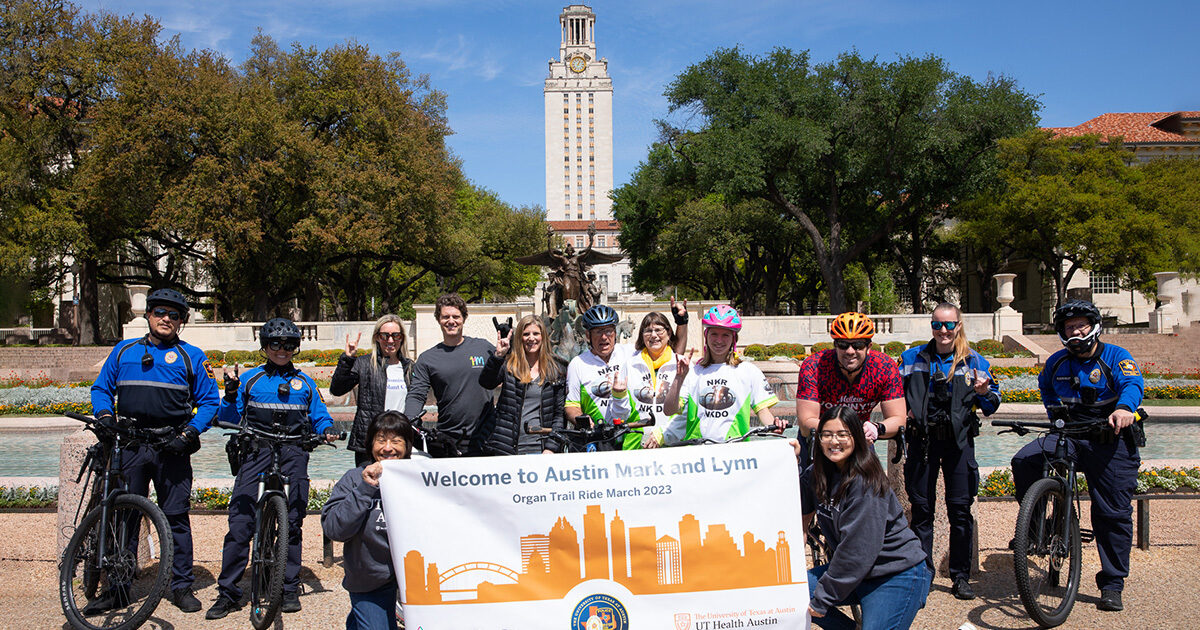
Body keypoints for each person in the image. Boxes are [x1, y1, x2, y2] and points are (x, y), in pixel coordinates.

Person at [88, 287, 219, 614]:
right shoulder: (123, 350)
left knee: (175, 518)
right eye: (160, 312)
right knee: (125, 518)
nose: (166, 319)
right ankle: (118, 588)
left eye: (174, 315)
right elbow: (101, 388)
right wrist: (104, 415)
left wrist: (190, 432)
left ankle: (180, 585)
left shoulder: (193, 357)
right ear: (148, 315)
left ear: (182, 321)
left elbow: (210, 402)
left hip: (172, 446)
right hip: (130, 443)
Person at [1010, 299, 1144, 613]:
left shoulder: (1115, 357)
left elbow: (1132, 384)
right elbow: (1046, 388)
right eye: (1069, 327)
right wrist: (1055, 412)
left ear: (1094, 326)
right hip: (1070, 435)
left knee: (1111, 514)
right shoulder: (1056, 362)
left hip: (1109, 439)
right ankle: (1034, 527)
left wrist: (1125, 409)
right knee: (1025, 460)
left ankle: (1112, 584)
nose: (1075, 331)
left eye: (1081, 325)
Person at [206, 318, 340, 619]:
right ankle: (228, 591)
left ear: (296, 348)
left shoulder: (304, 383)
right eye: (275, 344)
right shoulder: (251, 380)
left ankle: (289, 587)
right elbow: (227, 417)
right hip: (257, 450)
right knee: (240, 524)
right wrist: (229, 394)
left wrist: (327, 429)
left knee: (292, 522)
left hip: (293, 450)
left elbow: (320, 416)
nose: (282, 350)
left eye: (289, 344)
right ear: (265, 346)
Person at [899, 304, 1001, 600]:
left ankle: (960, 576)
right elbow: (892, 394)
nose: (943, 331)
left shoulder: (973, 360)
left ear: (959, 326)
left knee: (960, 511)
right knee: (922, 512)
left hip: (958, 443)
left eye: (949, 325)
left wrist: (983, 393)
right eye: (937, 325)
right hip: (923, 441)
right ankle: (923, 574)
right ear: (931, 326)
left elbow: (993, 404)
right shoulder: (911, 358)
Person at [803, 406, 929, 630]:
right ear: (819, 439)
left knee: (816, 600)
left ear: (857, 438)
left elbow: (857, 552)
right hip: (857, 572)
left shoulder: (865, 483)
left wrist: (822, 601)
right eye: (827, 434)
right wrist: (788, 457)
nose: (834, 441)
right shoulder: (815, 474)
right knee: (794, 594)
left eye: (843, 434)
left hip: (894, 573)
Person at [322, 411, 417, 630]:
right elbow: (335, 529)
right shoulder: (354, 479)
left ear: (408, 445)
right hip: (369, 579)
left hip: (412, 579)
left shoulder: (420, 478)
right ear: (370, 444)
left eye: (396, 441)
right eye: (381, 440)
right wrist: (365, 488)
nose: (387, 448)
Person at [565, 300, 688, 450]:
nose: (604, 337)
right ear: (587, 335)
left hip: (629, 435)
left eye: (608, 331)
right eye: (598, 331)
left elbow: (674, 353)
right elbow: (571, 405)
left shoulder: (630, 353)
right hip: (599, 438)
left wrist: (682, 322)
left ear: (615, 333)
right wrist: (584, 421)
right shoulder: (577, 364)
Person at [661, 305, 784, 442]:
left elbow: (762, 411)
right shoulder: (693, 371)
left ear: (734, 339)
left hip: (735, 452)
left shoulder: (749, 371)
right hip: (697, 453)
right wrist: (679, 378)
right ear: (706, 336)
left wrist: (775, 427)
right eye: (714, 334)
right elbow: (669, 410)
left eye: (725, 335)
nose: (719, 340)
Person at [796, 312, 906, 463]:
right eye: (843, 345)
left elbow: (899, 420)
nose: (850, 351)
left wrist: (876, 428)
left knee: (872, 484)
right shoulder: (814, 366)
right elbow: (806, 424)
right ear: (835, 345)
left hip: (861, 439)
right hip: (821, 440)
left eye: (858, 345)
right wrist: (847, 433)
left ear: (869, 347)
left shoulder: (884, 367)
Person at [403, 294, 496, 457]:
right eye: (445, 317)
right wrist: (408, 421)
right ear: (438, 320)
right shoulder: (427, 359)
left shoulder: (484, 348)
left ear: (464, 319)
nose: (451, 321)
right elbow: (417, 394)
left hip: (487, 437)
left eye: (456, 316)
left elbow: (509, 374)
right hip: (448, 441)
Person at [331, 314, 414, 466]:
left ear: (402, 338)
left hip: (400, 440)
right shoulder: (364, 364)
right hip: (371, 442)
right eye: (385, 335)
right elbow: (337, 389)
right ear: (377, 337)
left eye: (396, 335)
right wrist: (347, 360)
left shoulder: (409, 367)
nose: (390, 340)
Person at [479, 315, 568, 455]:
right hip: (508, 448)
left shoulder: (556, 370)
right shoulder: (508, 365)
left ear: (543, 337)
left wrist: (551, 447)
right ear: (520, 337)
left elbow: (559, 415)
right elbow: (486, 383)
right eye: (526, 334)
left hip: (541, 449)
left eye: (536, 333)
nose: (531, 338)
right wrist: (498, 356)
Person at [617, 308, 690, 448]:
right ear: (642, 336)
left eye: (658, 330)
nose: (653, 335)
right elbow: (622, 413)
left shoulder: (683, 364)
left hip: (673, 446)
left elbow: (688, 410)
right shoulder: (630, 364)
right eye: (648, 331)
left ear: (669, 333)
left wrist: (664, 435)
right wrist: (618, 395)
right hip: (635, 445)